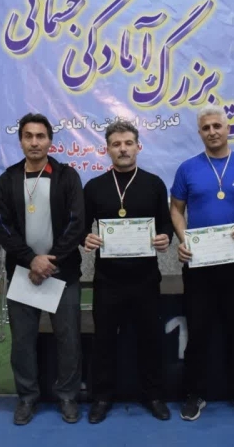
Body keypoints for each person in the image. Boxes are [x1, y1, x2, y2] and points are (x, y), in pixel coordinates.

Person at [170, 104, 234, 422]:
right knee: (198, 332)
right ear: (199, 133)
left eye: (217, 126)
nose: (212, 132)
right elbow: (176, 209)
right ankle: (194, 394)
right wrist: (184, 240)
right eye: (206, 127)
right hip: (199, 266)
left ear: (228, 129)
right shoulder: (187, 169)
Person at [0, 113, 85, 425]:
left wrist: (49, 261)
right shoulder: (8, 180)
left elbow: (76, 223)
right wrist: (31, 260)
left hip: (63, 273)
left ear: (50, 141)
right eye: (28, 136)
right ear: (21, 141)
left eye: (41, 136)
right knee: (22, 341)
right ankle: (27, 397)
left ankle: (68, 396)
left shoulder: (66, 176)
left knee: (68, 339)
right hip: (23, 274)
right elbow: (2, 226)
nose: (35, 142)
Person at [83, 120, 173, 424]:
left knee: (150, 340)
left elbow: (165, 223)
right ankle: (102, 397)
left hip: (145, 279)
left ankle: (154, 395)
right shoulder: (94, 187)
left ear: (138, 147)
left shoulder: (154, 184)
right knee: (104, 342)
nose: (123, 149)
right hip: (108, 280)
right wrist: (86, 238)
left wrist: (165, 237)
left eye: (128, 143)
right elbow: (82, 227)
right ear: (107, 149)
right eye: (116, 144)